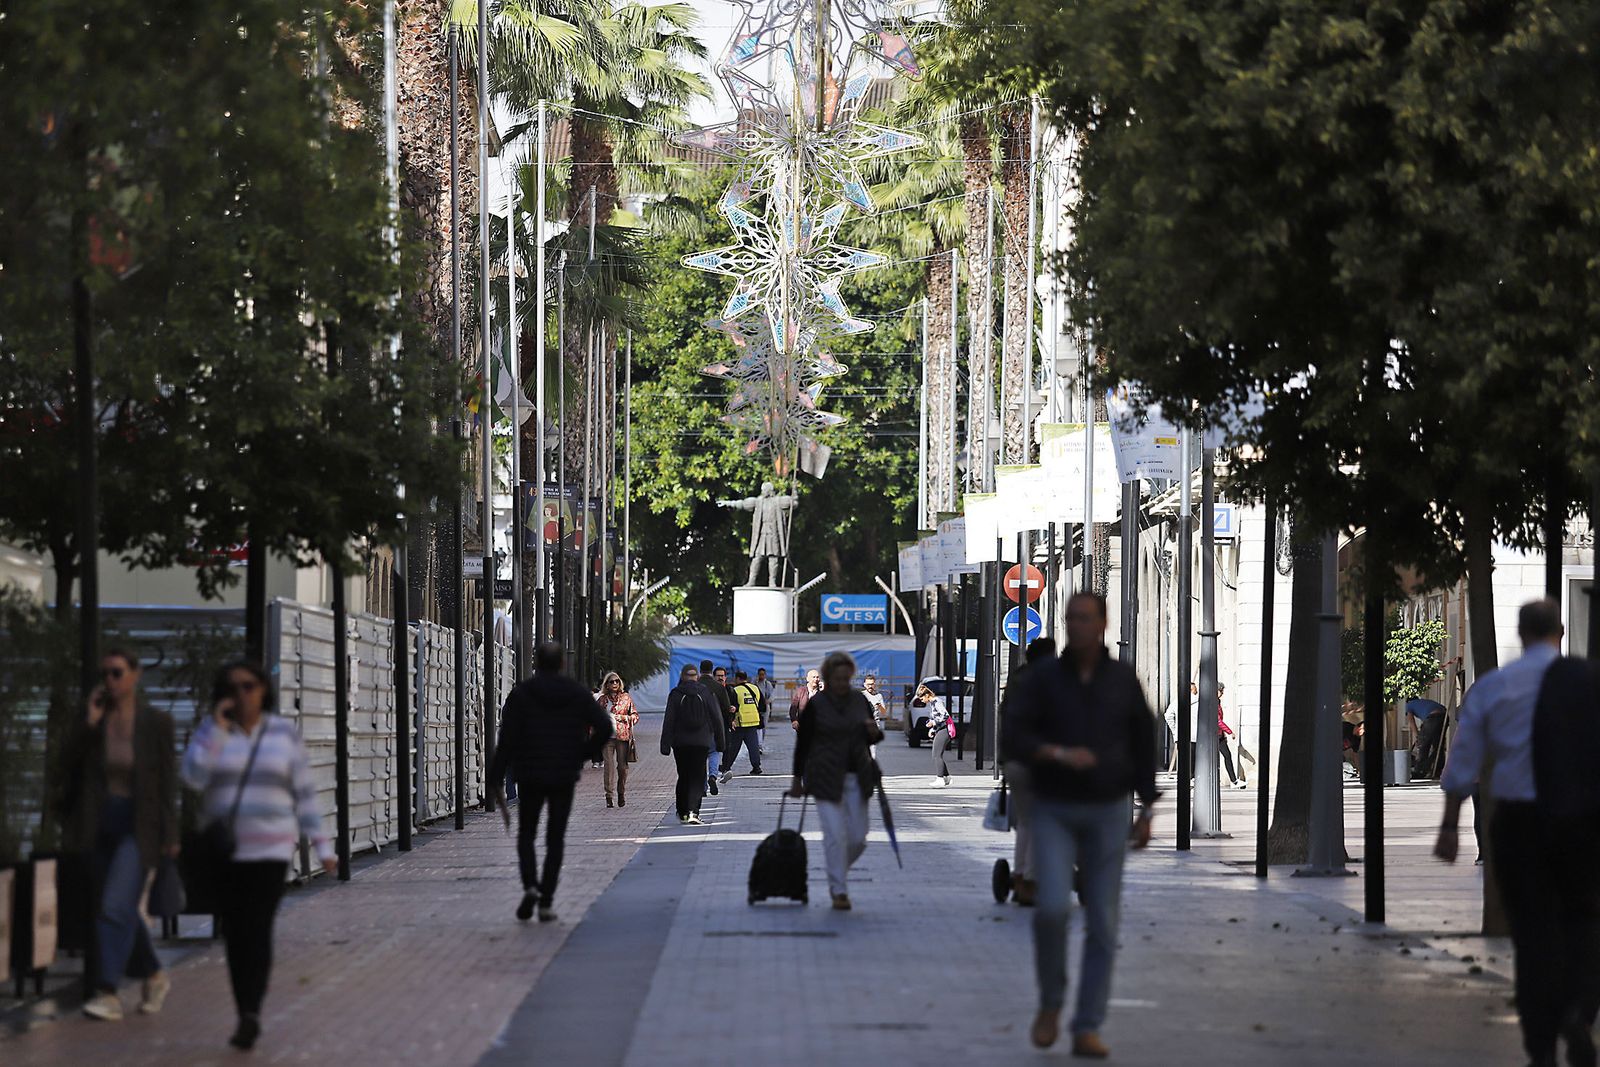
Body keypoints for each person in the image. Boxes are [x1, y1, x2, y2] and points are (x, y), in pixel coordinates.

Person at [1435, 599, 1600, 1067]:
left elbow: (1463, 760)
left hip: (1519, 823)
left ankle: (1541, 1048)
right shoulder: (1588, 682)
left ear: (1521, 633)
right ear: (1560, 633)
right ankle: (1579, 1010)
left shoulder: (1494, 686)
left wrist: (1450, 826)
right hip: (1580, 823)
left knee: (1530, 934)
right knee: (1585, 922)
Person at [1004, 592, 1159, 1057]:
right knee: (1051, 908)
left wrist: (1146, 808)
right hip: (1054, 806)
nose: (1078, 626)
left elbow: (1142, 741)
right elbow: (1014, 733)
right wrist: (1054, 753)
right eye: (1071, 618)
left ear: (1103, 623)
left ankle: (1087, 1024)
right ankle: (1051, 1001)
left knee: (1103, 922)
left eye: (1086, 618)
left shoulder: (1121, 679)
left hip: (1109, 809)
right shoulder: (1044, 678)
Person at [182, 660, 335, 1051]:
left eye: (248, 686)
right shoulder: (212, 732)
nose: (241, 694)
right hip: (227, 852)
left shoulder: (283, 735)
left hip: (271, 849)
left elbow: (304, 793)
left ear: (263, 689)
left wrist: (323, 846)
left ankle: (251, 1010)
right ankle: (244, 1009)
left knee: (258, 927)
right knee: (235, 931)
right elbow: (193, 776)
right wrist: (216, 730)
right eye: (233, 688)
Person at [65, 649, 179, 1022]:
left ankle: (108, 991)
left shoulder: (156, 722)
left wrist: (170, 833)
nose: (110, 681)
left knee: (114, 906)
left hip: (139, 825)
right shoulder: (95, 721)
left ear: (135, 675)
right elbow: (68, 763)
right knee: (120, 906)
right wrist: (89, 723)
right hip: (100, 822)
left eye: (117, 672)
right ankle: (155, 974)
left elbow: (167, 782)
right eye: (105, 674)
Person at [489, 643, 611, 923]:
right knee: (555, 837)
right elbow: (604, 726)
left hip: (530, 771)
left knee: (527, 833)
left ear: (536, 662)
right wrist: (583, 753)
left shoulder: (522, 693)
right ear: (562, 664)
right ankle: (546, 901)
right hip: (563, 773)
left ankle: (530, 885)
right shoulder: (576, 692)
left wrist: (496, 775)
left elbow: (507, 738)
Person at [790, 652, 883, 910]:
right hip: (825, 778)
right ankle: (838, 889)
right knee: (833, 835)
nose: (842, 683)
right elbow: (803, 745)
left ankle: (838, 868)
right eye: (837, 678)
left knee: (858, 837)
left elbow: (872, 737)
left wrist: (873, 733)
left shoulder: (859, 701)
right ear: (829, 677)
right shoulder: (817, 705)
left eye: (846, 678)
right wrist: (797, 779)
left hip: (857, 776)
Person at [1003, 637, 1058, 907]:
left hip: (1014, 760)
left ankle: (1018, 874)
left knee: (1026, 821)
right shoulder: (1050, 682)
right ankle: (1031, 881)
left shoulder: (1016, 680)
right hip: (1040, 761)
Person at [663, 664, 724, 825]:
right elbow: (717, 718)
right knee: (698, 777)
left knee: (683, 776)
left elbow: (669, 720)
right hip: (701, 742)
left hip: (680, 743)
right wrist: (720, 743)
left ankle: (682, 812)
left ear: (682, 676)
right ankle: (693, 812)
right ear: (696, 676)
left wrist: (665, 744)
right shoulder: (705, 692)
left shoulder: (676, 694)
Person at [598, 671, 637, 808]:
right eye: (611, 681)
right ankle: (609, 796)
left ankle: (621, 792)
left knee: (622, 767)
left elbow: (635, 716)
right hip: (607, 738)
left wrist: (623, 718)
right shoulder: (602, 700)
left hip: (622, 737)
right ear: (607, 685)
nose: (614, 683)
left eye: (616, 681)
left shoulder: (626, 698)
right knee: (608, 767)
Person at [721, 669, 765, 778]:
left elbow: (731, 707)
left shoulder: (735, 690)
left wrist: (730, 720)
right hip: (753, 721)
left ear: (737, 678)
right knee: (753, 746)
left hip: (740, 722)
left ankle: (726, 766)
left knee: (733, 747)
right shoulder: (755, 688)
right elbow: (762, 706)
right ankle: (756, 767)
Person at [700, 659, 733, 796]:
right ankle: (713, 776)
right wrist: (730, 721)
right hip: (715, 726)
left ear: (700, 670)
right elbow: (726, 708)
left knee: (700, 757)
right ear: (711, 670)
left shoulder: (695, 685)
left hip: (697, 727)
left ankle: (702, 787)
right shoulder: (719, 687)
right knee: (713, 752)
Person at [919, 683, 954, 787]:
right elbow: (938, 718)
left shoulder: (936, 702)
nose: (922, 701)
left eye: (922, 699)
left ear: (927, 695)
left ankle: (940, 779)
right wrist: (933, 728)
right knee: (937, 755)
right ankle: (946, 777)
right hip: (941, 729)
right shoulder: (933, 703)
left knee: (936, 755)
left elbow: (945, 715)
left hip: (944, 730)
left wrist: (933, 723)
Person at [1216, 684, 1245, 789]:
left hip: (1219, 735)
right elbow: (1218, 721)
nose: (1222, 693)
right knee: (1225, 756)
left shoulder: (1217, 702)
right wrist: (1229, 732)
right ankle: (1234, 781)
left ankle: (1234, 781)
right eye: (1221, 691)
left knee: (1227, 756)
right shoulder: (1213, 703)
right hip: (1215, 735)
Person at [755, 667, 775, 752]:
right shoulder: (755, 683)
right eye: (760, 674)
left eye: (763, 674)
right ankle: (756, 743)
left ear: (765, 675)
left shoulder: (768, 684)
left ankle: (760, 744)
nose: (761, 676)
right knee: (756, 726)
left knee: (763, 726)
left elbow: (772, 696)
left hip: (765, 707)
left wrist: (767, 701)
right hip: (756, 707)